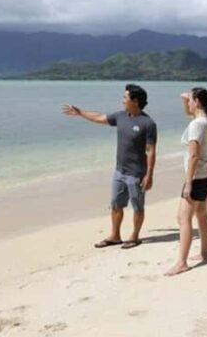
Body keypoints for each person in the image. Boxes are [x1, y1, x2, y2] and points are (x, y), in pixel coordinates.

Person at [62, 84, 157, 249]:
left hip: (137, 174)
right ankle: (115, 236)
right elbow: (100, 117)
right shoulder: (121, 116)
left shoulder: (147, 123)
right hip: (119, 172)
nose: (122, 100)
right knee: (115, 204)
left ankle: (134, 236)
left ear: (135, 101)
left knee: (137, 207)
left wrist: (149, 175)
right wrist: (81, 112)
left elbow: (151, 151)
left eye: (125, 98)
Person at [165, 88, 207, 276]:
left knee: (183, 219)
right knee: (202, 213)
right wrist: (185, 99)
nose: (187, 104)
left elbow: (194, 156)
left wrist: (188, 183)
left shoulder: (197, 125)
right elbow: (190, 112)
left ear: (197, 102)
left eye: (190, 101)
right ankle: (205, 253)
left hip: (198, 177)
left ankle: (182, 262)